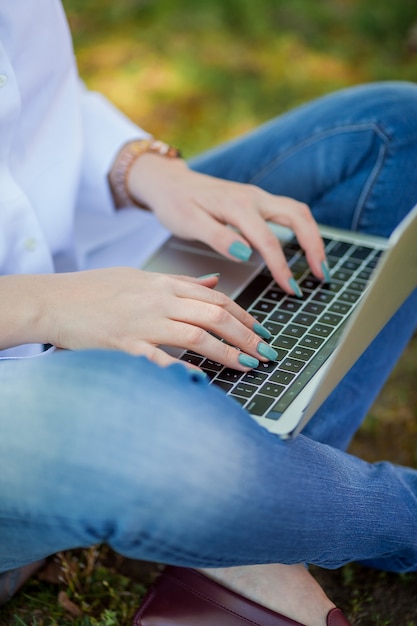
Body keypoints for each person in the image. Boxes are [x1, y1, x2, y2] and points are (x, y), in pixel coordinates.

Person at [1, 2, 417, 625]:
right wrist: (42, 304)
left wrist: (148, 172)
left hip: (88, 268)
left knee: (392, 133)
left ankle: (235, 525)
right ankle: (262, 518)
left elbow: (33, 103)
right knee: (141, 424)